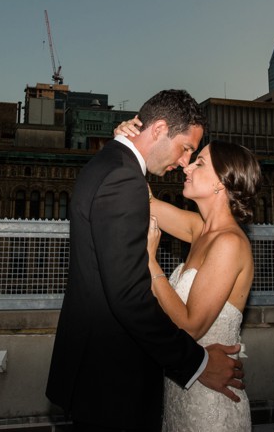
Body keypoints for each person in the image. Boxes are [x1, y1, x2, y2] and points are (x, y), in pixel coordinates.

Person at [46, 90, 245, 432]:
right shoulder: (124, 178)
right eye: (187, 150)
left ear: (221, 185)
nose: (185, 162)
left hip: (115, 378)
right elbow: (128, 296)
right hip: (115, 382)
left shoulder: (115, 169)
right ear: (159, 129)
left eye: (197, 160)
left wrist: (129, 144)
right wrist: (196, 363)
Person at [118, 117, 260, 431]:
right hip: (182, 387)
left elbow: (190, 325)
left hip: (209, 402)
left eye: (199, 163)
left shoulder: (229, 243)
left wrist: (151, 262)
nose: (187, 168)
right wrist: (128, 145)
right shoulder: (199, 230)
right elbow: (146, 201)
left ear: (220, 182)